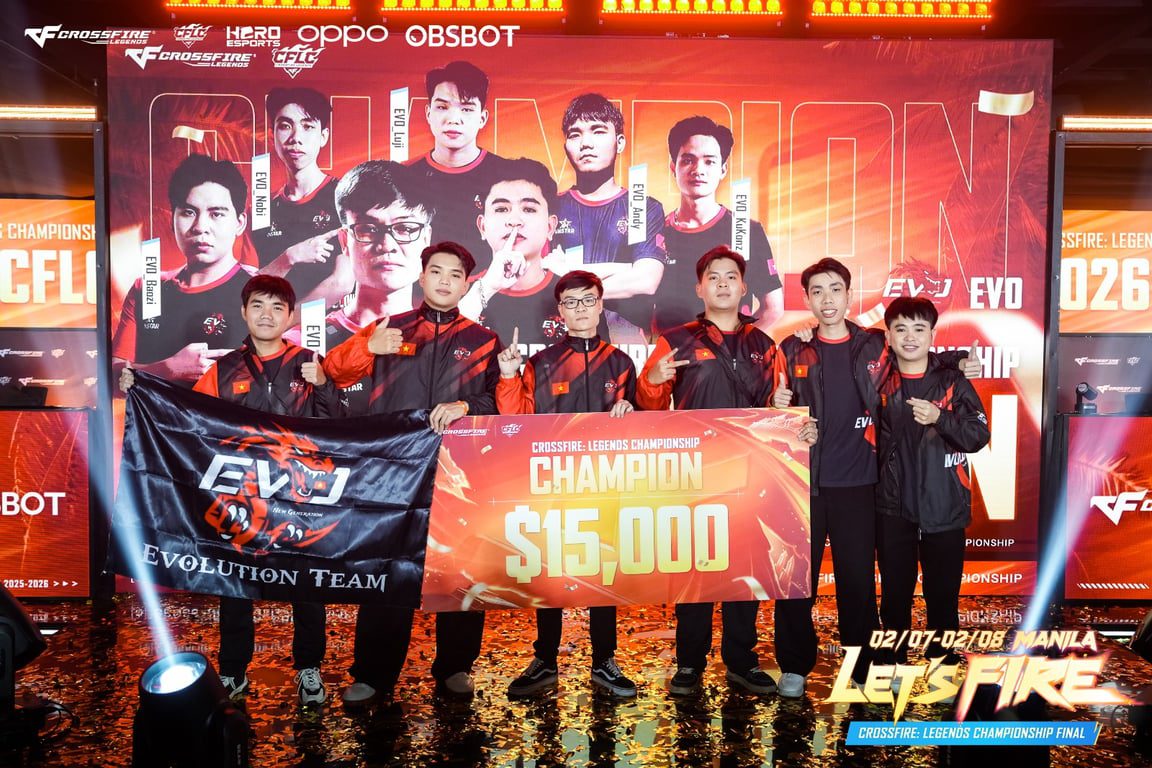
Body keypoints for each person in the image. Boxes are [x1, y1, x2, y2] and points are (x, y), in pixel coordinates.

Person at [120, 274, 339, 706]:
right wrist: (140, 385)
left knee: (306, 590)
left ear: (290, 316)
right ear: (244, 312)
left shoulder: (309, 363)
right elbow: (190, 422)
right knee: (235, 588)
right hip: (240, 499)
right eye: (258, 305)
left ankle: (309, 668)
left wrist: (325, 385)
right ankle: (234, 671)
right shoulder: (223, 369)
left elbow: (336, 428)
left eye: (277, 307)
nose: (267, 315)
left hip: (297, 500)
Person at [772, 258, 983, 698]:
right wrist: (782, 413)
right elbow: (773, 410)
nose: (827, 299)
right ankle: (794, 665)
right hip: (802, 484)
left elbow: (916, 354)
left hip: (859, 483)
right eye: (817, 291)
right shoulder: (791, 348)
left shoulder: (874, 344)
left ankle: (863, 665)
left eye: (835, 289)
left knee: (858, 585)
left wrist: (960, 360)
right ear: (806, 298)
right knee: (795, 582)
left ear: (849, 295)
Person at [322, 241, 500, 705]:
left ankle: (456, 666)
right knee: (388, 570)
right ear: (422, 278)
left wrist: (466, 406)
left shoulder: (483, 340)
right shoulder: (389, 328)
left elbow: (498, 402)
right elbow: (333, 374)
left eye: (455, 274)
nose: (444, 281)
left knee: (462, 568)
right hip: (393, 470)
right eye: (436, 271)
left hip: (458, 471)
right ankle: (373, 673)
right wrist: (365, 346)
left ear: (466, 284)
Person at [636, 246, 816, 696]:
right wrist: (652, 382)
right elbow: (649, 409)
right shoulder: (676, 340)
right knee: (695, 570)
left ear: (743, 287)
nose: (722, 283)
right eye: (713, 277)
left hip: (752, 474)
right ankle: (689, 662)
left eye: (730, 276)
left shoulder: (764, 346)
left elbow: (778, 410)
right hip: (694, 473)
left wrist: (781, 407)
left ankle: (741, 660)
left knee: (746, 568)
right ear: (699, 288)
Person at [494, 270, 638, 699]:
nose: (580, 309)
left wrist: (631, 410)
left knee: (604, 572)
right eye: (571, 302)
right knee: (550, 573)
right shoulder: (541, 363)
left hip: (606, 483)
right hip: (552, 484)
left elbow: (643, 425)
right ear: (560, 311)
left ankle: (604, 660)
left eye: (588, 300)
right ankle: (545, 659)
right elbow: (516, 419)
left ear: (600, 304)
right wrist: (507, 376)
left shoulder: (622, 363)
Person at [873, 296, 989, 668]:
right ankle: (893, 653)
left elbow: (977, 435)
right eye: (901, 329)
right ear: (888, 336)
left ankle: (942, 651)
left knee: (943, 591)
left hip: (945, 504)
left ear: (932, 335)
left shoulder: (952, 380)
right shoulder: (877, 380)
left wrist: (940, 417)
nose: (910, 337)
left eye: (919, 329)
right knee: (895, 591)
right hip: (893, 506)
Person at [285, 160, 434, 415]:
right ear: (344, 241)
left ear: (426, 239)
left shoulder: (448, 338)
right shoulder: (304, 342)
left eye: (405, 228)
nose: (387, 244)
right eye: (368, 229)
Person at [112, 154, 257, 384]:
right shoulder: (148, 288)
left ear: (240, 223)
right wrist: (166, 370)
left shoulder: (260, 292)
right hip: (155, 410)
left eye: (216, 214)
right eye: (189, 212)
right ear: (172, 219)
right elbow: (113, 377)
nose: (200, 227)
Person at [459, 158, 609, 355]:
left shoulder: (577, 299)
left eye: (529, 209)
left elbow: (599, 367)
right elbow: (438, 355)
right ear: (482, 226)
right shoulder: (459, 294)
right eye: (501, 209)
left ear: (551, 227)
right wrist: (487, 287)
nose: (514, 220)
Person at [547, 93, 666, 340]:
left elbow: (645, 280)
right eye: (575, 135)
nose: (585, 143)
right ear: (565, 146)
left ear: (619, 142)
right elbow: (541, 277)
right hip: (563, 343)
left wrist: (570, 277)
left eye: (598, 131)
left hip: (625, 343)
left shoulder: (641, 207)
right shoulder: (550, 206)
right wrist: (622, 270)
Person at [654, 116, 783, 338]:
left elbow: (773, 309)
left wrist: (734, 346)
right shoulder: (656, 233)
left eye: (709, 162)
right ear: (673, 167)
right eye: (688, 160)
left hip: (727, 356)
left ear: (723, 169)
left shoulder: (746, 231)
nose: (698, 170)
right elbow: (643, 313)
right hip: (671, 355)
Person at [251, 87, 348, 308]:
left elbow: (341, 283)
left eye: (307, 127)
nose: (296, 138)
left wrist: (285, 321)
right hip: (273, 325)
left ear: (323, 136)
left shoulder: (345, 196)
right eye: (285, 126)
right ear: (272, 135)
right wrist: (289, 257)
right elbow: (250, 286)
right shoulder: (261, 210)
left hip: (330, 326)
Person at [408, 61, 507, 264]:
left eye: (467, 109)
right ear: (428, 113)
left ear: (482, 118)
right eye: (442, 107)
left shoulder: (509, 177)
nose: (453, 119)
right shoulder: (404, 177)